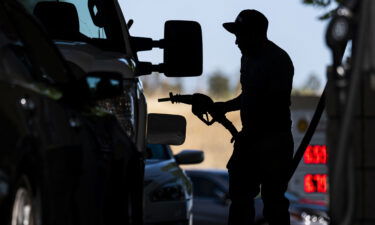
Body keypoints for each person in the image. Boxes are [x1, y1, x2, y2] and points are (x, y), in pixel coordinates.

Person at [214, 9, 294, 225]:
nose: (236, 42)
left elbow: (269, 102)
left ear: (255, 34)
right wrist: (224, 107)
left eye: (240, 35)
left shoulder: (278, 60)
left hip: (272, 143)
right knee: (240, 200)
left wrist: (248, 137)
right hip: (250, 139)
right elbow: (249, 96)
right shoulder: (247, 58)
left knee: (274, 201)